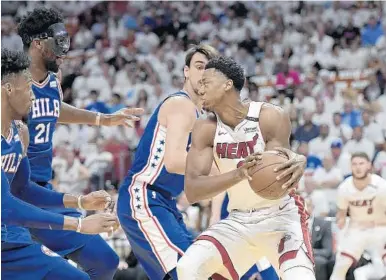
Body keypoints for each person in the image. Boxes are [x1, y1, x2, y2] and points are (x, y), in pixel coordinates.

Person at [17, 7, 142, 279]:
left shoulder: (52, 80)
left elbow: (53, 108)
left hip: (44, 191)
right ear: (37, 43)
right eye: (57, 39)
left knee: (105, 261)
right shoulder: (12, 82)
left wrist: (102, 120)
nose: (64, 47)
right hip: (14, 194)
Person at [177, 56, 315, 280]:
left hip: (281, 217)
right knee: (188, 268)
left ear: (227, 84)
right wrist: (238, 174)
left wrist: (297, 159)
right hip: (239, 220)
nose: (198, 88)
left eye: (205, 83)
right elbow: (193, 191)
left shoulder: (269, 116)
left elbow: (278, 169)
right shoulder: (205, 128)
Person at [1, 49, 119, 279]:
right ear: (8, 89)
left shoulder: (19, 133)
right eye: (27, 88)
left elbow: (24, 190)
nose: (34, 97)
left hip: (13, 242)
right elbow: (5, 206)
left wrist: (80, 200)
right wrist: (78, 225)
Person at [117, 44, 219, 280]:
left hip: (163, 201)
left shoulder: (201, 116)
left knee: (192, 271)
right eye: (199, 66)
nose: (204, 74)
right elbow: (173, 162)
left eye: (209, 70)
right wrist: (223, 169)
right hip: (144, 196)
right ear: (186, 71)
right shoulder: (182, 105)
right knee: (192, 272)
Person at [330, 152, 386, 280]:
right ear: (350, 167)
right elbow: (341, 216)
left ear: (369, 166)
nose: (358, 167)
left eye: (361, 163)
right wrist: (341, 223)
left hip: (380, 229)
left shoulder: (381, 185)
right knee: (340, 266)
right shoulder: (344, 188)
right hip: (357, 230)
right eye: (354, 164)